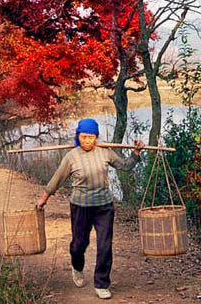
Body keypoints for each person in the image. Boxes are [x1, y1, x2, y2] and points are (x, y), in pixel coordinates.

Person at [37, 118, 145, 300]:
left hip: (104, 206)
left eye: (91, 137)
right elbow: (57, 179)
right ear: (78, 137)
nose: (87, 141)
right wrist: (43, 199)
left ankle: (102, 283)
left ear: (96, 137)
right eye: (84, 137)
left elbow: (125, 166)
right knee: (79, 244)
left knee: (104, 244)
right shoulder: (72, 156)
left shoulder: (105, 152)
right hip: (80, 206)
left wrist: (136, 152)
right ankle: (77, 267)